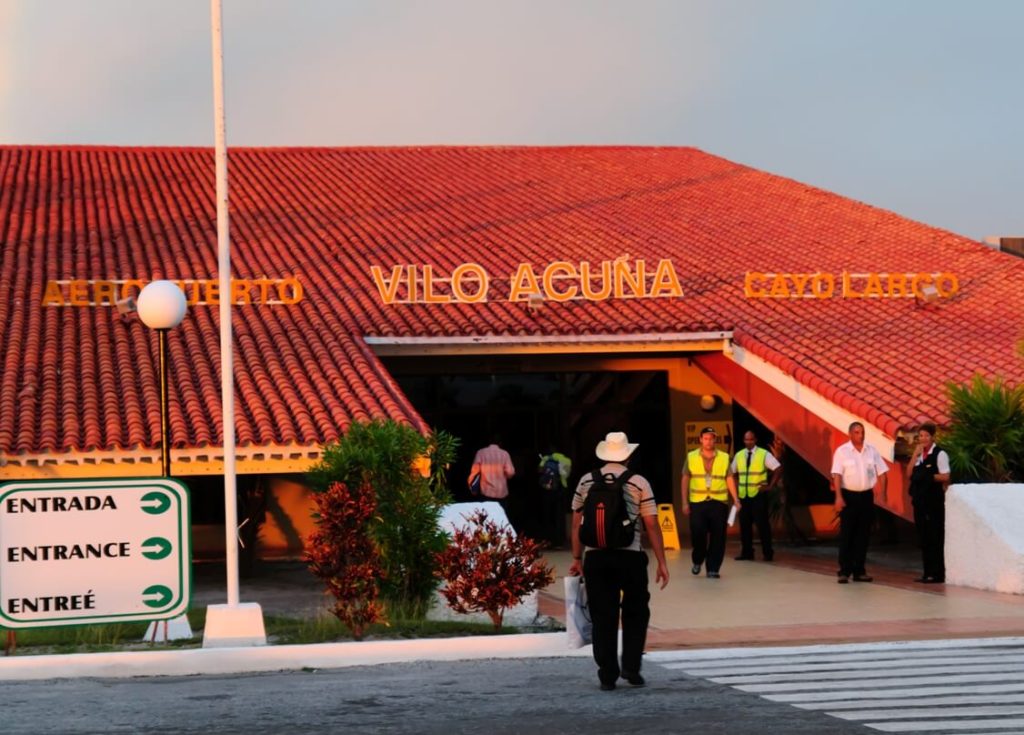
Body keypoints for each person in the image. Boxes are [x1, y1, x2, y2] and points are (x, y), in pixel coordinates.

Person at [568, 431, 669, 691]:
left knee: (603, 614)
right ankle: (631, 668)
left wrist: (577, 557)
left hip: (596, 557)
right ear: (627, 455)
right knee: (636, 611)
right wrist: (662, 562)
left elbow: (577, 522)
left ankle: (607, 674)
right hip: (631, 556)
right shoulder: (638, 482)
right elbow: (652, 525)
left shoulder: (587, 481)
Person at [830, 421, 889, 584]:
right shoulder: (842, 452)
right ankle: (844, 571)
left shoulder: (871, 451)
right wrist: (838, 497)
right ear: (850, 434)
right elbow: (836, 475)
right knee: (847, 534)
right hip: (848, 497)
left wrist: (883, 493)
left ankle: (859, 571)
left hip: (866, 497)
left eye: (862, 432)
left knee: (863, 535)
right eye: (856, 432)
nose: (860, 435)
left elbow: (883, 472)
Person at [681, 426, 740, 579]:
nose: (708, 441)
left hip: (718, 502)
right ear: (701, 439)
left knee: (718, 536)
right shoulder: (692, 456)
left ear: (715, 439)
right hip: (698, 502)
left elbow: (729, 478)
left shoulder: (724, 457)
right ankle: (698, 559)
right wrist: (684, 502)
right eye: (706, 438)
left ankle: (713, 568)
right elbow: (685, 479)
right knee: (698, 533)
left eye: (711, 438)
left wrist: (736, 499)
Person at [906, 421, 950, 584]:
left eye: (926, 436)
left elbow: (946, 476)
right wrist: (914, 456)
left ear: (932, 437)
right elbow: (909, 474)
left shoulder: (940, 454)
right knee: (923, 537)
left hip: (934, 502)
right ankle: (927, 572)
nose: (923, 439)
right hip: (920, 501)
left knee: (935, 537)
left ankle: (937, 573)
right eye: (921, 436)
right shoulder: (919, 456)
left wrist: (929, 477)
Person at [731, 430, 782, 561]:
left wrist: (770, 486)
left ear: (755, 440)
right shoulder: (739, 455)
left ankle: (767, 552)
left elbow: (777, 468)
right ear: (743, 440)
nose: (748, 442)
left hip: (758, 494)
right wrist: (736, 485)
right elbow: (731, 473)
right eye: (746, 440)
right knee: (744, 525)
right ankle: (747, 552)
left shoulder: (763, 454)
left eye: (751, 439)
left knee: (762, 525)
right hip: (744, 495)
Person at [538, 447, 572, 547]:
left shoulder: (545, 458)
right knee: (559, 516)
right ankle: (559, 541)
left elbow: (540, 471)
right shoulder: (566, 460)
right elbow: (566, 475)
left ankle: (548, 540)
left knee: (548, 515)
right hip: (561, 489)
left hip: (547, 490)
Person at [469, 436, 515, 508]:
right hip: (501, 495)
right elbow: (510, 473)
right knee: (500, 517)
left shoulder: (481, 453)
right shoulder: (505, 454)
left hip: (485, 494)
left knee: (486, 517)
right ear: (500, 443)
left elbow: (474, 472)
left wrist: (472, 489)